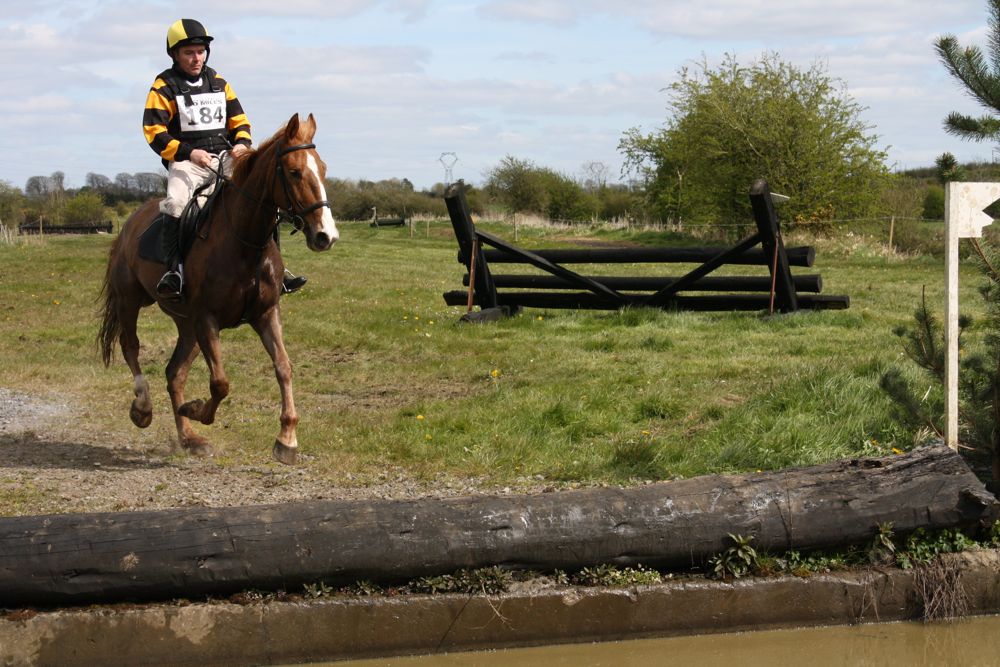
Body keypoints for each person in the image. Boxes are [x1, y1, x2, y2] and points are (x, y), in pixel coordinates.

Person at [142, 18, 306, 299]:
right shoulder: (163, 87)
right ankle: (174, 271)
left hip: (226, 157)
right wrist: (189, 152)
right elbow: (154, 131)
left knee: (260, 199)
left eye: (200, 51)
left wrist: (242, 144)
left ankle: (277, 272)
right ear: (175, 55)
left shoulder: (219, 83)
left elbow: (239, 121)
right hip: (188, 162)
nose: (197, 58)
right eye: (189, 53)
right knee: (176, 203)